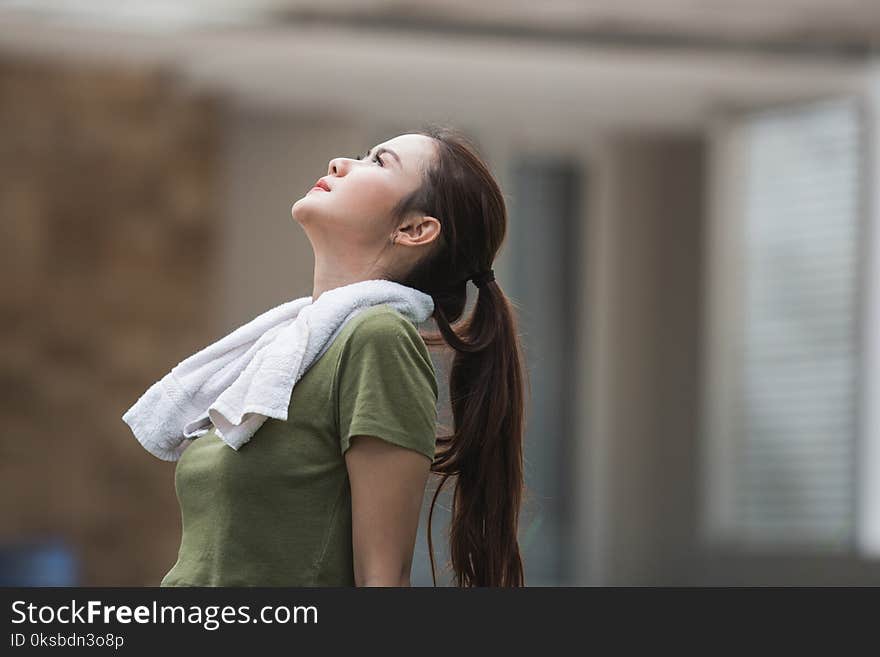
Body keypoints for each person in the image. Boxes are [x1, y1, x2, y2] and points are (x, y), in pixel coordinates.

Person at [160, 124, 527, 588]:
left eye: (378, 162)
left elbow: (383, 579)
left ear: (414, 229)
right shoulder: (283, 352)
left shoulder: (379, 339)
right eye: (363, 154)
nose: (339, 163)